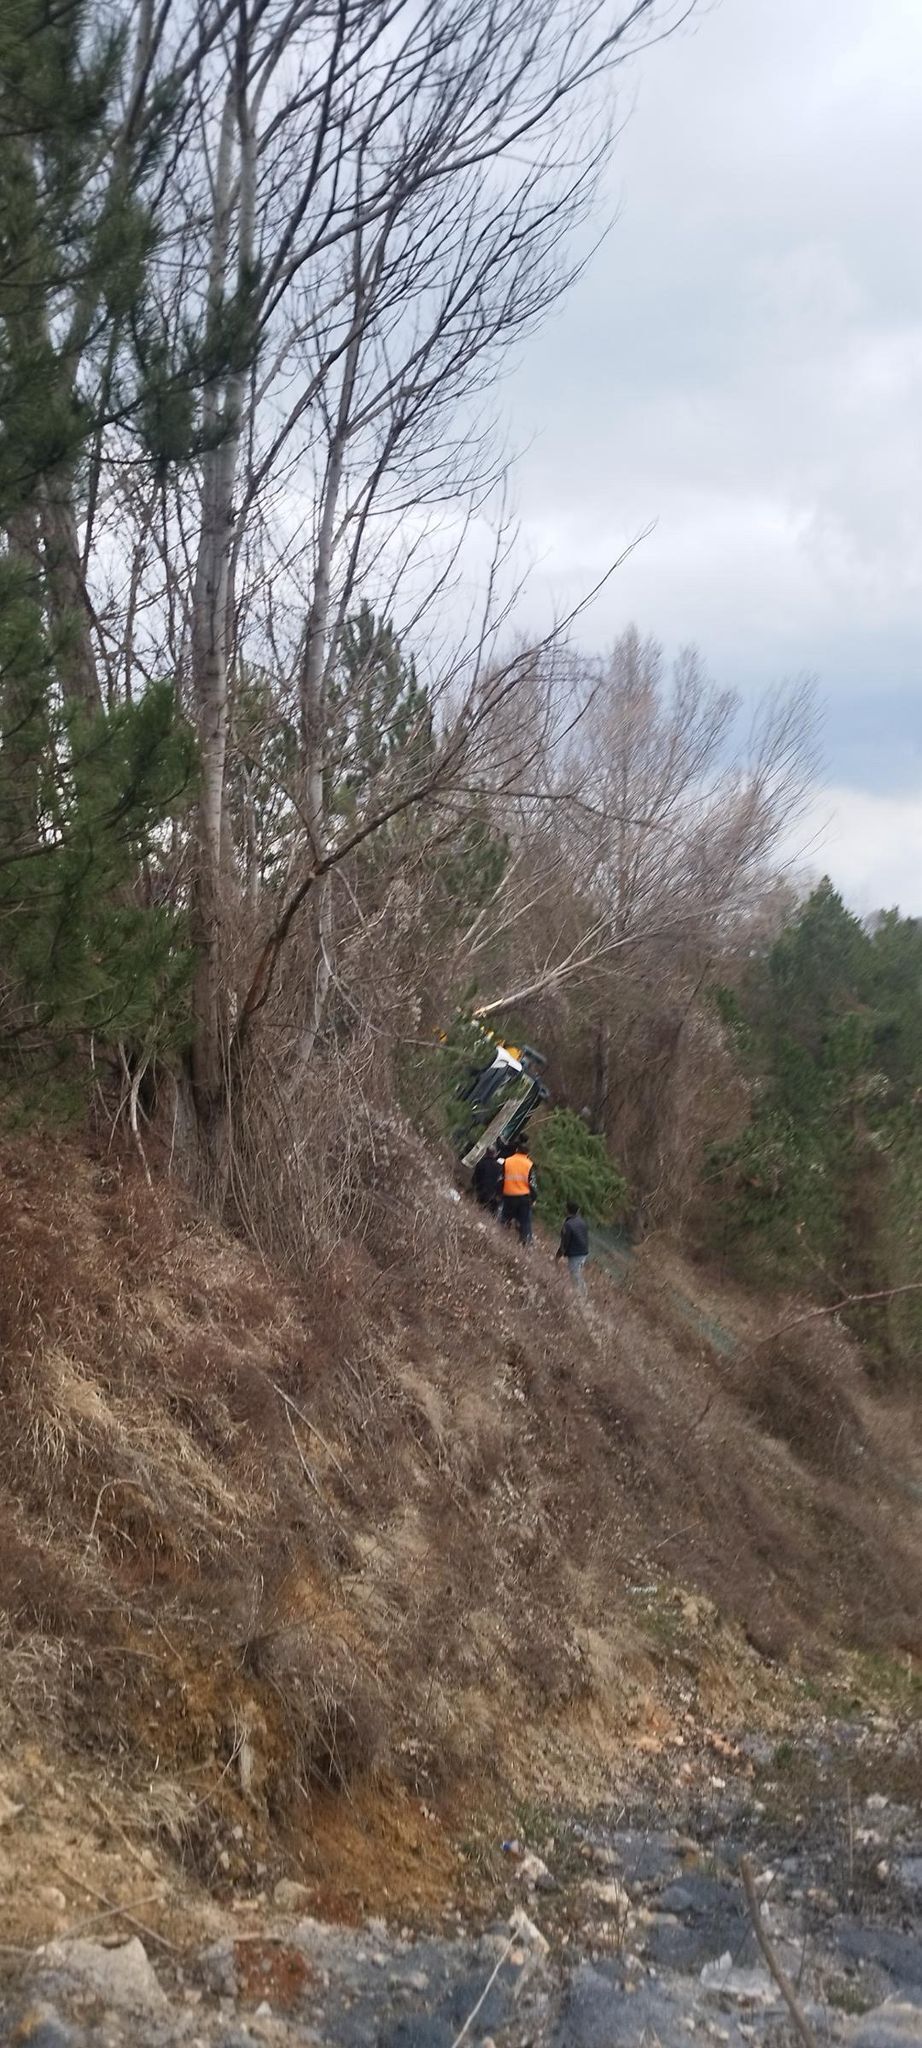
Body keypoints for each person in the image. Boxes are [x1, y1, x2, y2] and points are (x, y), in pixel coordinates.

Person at [500, 1139, 536, 1244]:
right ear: (527, 1153)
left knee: (505, 1219)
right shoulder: (529, 1165)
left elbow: (501, 1178)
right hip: (523, 1197)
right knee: (524, 1222)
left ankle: (500, 1240)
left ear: (517, 1150)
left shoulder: (508, 1161)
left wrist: (499, 1193)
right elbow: (532, 1184)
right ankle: (524, 1242)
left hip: (508, 1195)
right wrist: (534, 1198)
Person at [556, 1200, 589, 1288]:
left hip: (575, 1254)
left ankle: (581, 1294)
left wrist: (558, 1256)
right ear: (578, 1211)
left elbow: (564, 1243)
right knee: (577, 1273)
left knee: (575, 1275)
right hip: (584, 1252)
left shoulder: (568, 1225)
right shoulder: (582, 1222)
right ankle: (581, 1292)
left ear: (567, 1210)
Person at [472, 1145, 502, 1215]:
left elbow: (474, 1178)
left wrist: (475, 1186)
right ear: (495, 1154)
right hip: (490, 1193)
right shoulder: (499, 1167)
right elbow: (499, 1181)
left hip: (479, 1189)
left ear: (486, 1153)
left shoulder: (481, 1163)